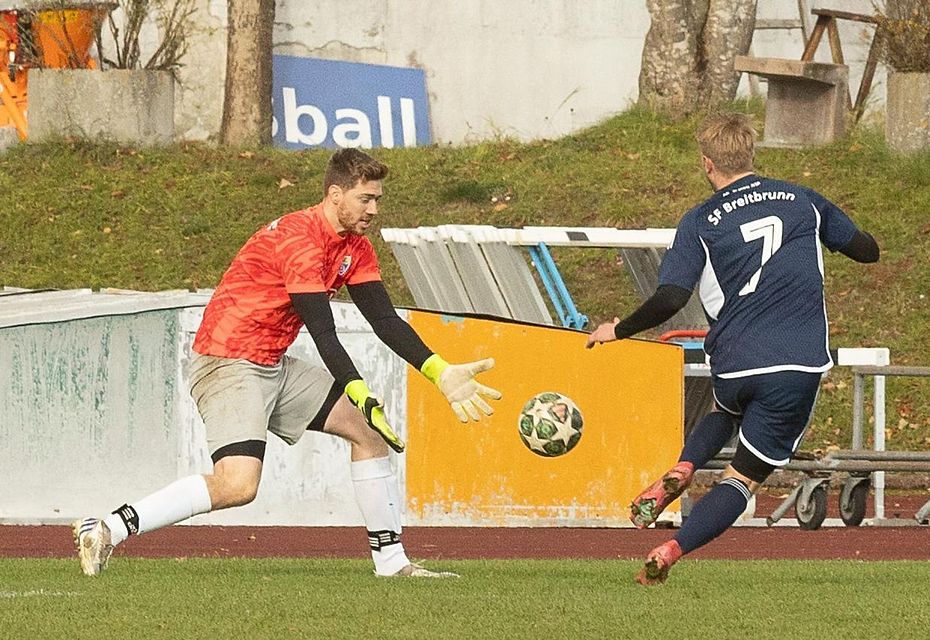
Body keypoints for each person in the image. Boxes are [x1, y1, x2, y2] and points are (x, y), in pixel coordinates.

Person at [73, 148, 501, 578]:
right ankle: (107, 528)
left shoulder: (355, 247)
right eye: (365, 199)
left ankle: (391, 563)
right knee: (237, 485)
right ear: (335, 194)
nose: (373, 209)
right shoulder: (299, 239)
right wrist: (357, 388)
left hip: (272, 363)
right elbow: (323, 332)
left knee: (368, 432)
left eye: (377, 199)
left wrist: (439, 371)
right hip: (228, 362)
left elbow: (385, 320)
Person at [585, 113, 879, 585]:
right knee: (741, 479)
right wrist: (852, 239)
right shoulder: (803, 200)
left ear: (708, 163)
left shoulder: (699, 221)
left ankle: (685, 465)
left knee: (726, 407)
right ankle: (671, 549)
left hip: (735, 361)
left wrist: (620, 330)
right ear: (750, 153)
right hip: (798, 362)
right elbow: (866, 250)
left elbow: (671, 297)